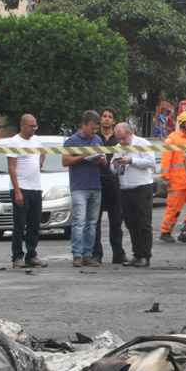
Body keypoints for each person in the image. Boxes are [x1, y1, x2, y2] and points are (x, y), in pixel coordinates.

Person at [62, 110, 105, 268]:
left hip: (95, 185)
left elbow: (103, 160)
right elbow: (65, 161)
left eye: (96, 129)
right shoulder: (71, 141)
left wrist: (101, 159)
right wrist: (82, 157)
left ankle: (88, 254)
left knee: (92, 223)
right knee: (79, 222)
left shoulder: (97, 140)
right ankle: (77, 255)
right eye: (92, 128)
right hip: (79, 187)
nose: (94, 132)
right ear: (84, 124)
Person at [111, 122, 156, 268]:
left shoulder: (143, 143)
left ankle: (145, 256)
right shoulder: (118, 147)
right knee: (131, 223)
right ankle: (136, 254)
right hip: (125, 188)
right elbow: (112, 166)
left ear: (130, 133)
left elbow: (151, 162)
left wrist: (131, 160)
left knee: (143, 223)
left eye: (123, 138)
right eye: (119, 139)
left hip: (142, 187)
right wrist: (115, 165)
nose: (121, 142)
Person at [6, 114, 47, 269]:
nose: (34, 128)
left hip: (36, 188)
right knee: (19, 225)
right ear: (22, 125)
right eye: (31, 126)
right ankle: (17, 256)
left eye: (35, 126)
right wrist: (17, 191)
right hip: (21, 188)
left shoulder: (37, 140)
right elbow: (11, 167)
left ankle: (32, 255)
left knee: (34, 224)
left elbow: (44, 153)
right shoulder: (14, 142)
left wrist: (39, 166)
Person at [92, 107, 127, 264]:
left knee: (116, 221)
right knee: (95, 221)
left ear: (113, 121)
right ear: (100, 119)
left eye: (109, 117)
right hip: (96, 182)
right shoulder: (94, 138)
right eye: (104, 116)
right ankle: (96, 254)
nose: (106, 118)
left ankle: (118, 254)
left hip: (114, 183)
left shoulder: (118, 139)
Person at [159, 111, 186, 242]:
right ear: (182, 123)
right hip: (176, 182)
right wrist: (166, 177)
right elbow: (166, 160)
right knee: (173, 209)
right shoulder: (172, 139)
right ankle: (165, 232)